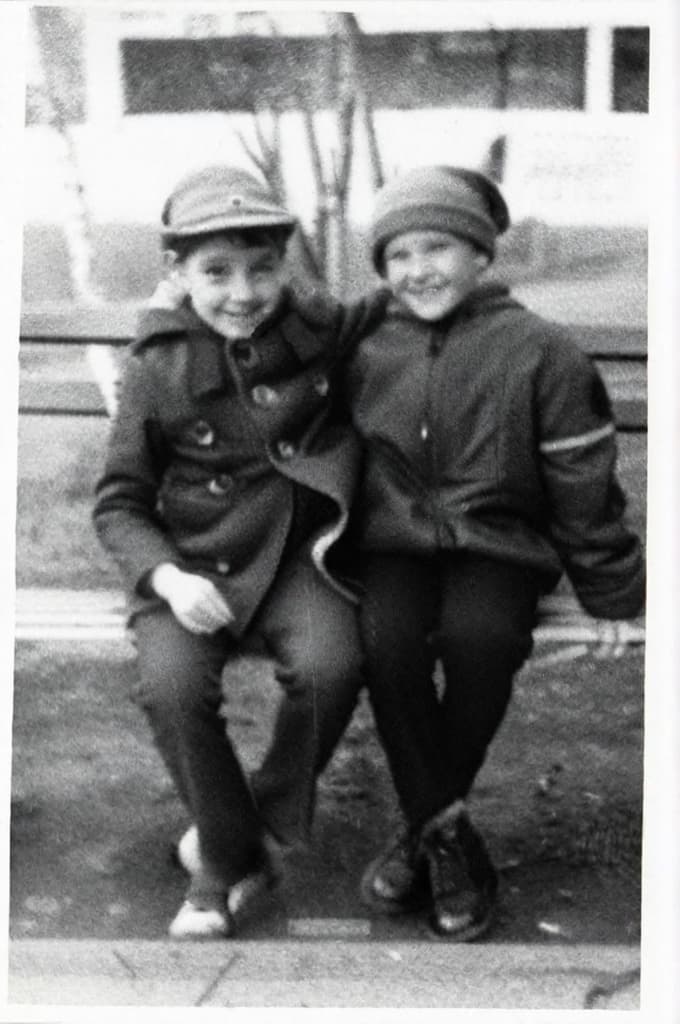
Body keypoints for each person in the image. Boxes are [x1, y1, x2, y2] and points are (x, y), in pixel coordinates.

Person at [344, 165, 645, 940]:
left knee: (484, 639)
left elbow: (583, 480)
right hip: (395, 544)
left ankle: (424, 836)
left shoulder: (540, 351)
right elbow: (274, 342)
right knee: (386, 643)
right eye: (398, 256)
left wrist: (612, 594)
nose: (419, 270)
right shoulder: (365, 343)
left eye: (437, 247)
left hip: (499, 544)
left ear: (481, 253)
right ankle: (446, 834)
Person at [93, 165, 383, 940]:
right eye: (216, 272)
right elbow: (119, 500)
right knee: (172, 688)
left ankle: (234, 844)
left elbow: (393, 314)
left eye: (262, 269)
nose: (243, 293)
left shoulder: (318, 332)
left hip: (295, 561)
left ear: (287, 267)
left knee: (333, 668)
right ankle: (226, 857)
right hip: (193, 565)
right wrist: (166, 576)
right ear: (177, 275)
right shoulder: (158, 367)